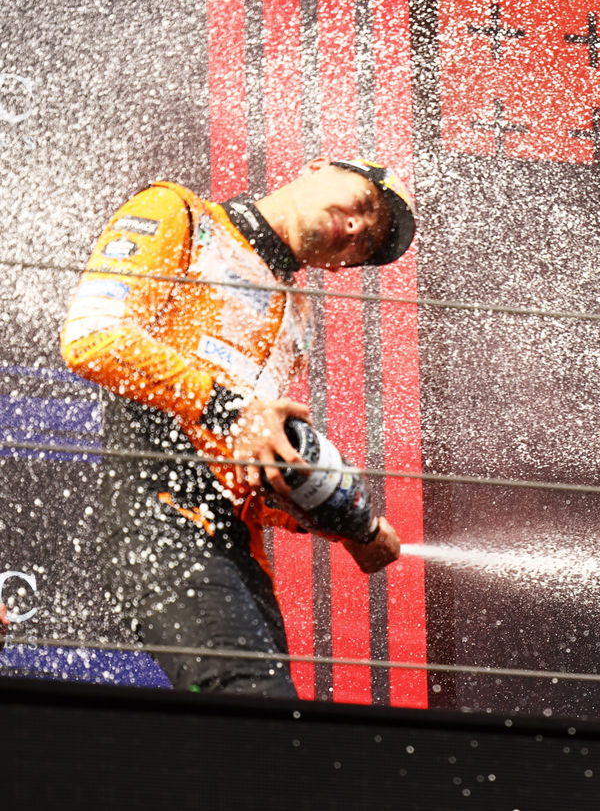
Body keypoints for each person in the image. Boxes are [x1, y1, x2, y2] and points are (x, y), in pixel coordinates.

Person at [60, 158, 415, 696]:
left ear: (341, 269)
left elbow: (251, 469)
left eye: (364, 247)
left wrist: (338, 516)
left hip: (242, 557)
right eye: (364, 205)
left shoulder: (298, 318)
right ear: (319, 166)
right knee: (251, 709)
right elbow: (94, 338)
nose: (357, 229)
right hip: (160, 521)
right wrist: (229, 408)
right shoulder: (181, 214)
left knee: (276, 732)